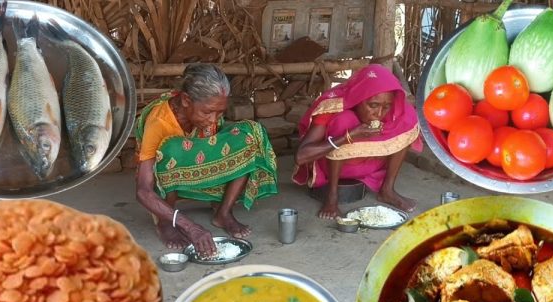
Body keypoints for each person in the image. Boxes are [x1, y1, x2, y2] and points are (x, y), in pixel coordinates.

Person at [135, 64, 279, 256]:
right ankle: (165, 223)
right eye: (207, 112)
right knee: (171, 149)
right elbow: (143, 191)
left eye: (219, 113)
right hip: (169, 181)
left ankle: (223, 212)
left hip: (197, 167)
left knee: (250, 134)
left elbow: (215, 141)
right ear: (186, 100)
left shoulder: (208, 111)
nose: (213, 120)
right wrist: (189, 226)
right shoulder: (159, 122)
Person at [292, 64, 422, 218]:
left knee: (406, 117)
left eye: (386, 107)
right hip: (332, 169)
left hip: (371, 166)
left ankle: (387, 190)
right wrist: (348, 137)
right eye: (373, 105)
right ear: (358, 98)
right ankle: (332, 197)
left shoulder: (390, 111)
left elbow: (399, 117)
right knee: (344, 121)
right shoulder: (333, 106)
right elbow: (301, 156)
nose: (379, 114)